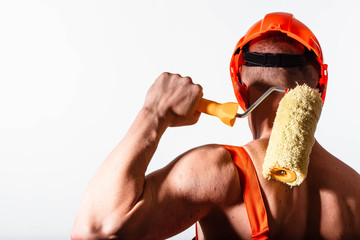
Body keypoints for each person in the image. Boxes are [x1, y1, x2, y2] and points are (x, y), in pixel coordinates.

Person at [71, 12, 360, 239]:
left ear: (241, 93)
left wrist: (153, 113)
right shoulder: (354, 189)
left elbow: (95, 230)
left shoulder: (221, 172)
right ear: (318, 93)